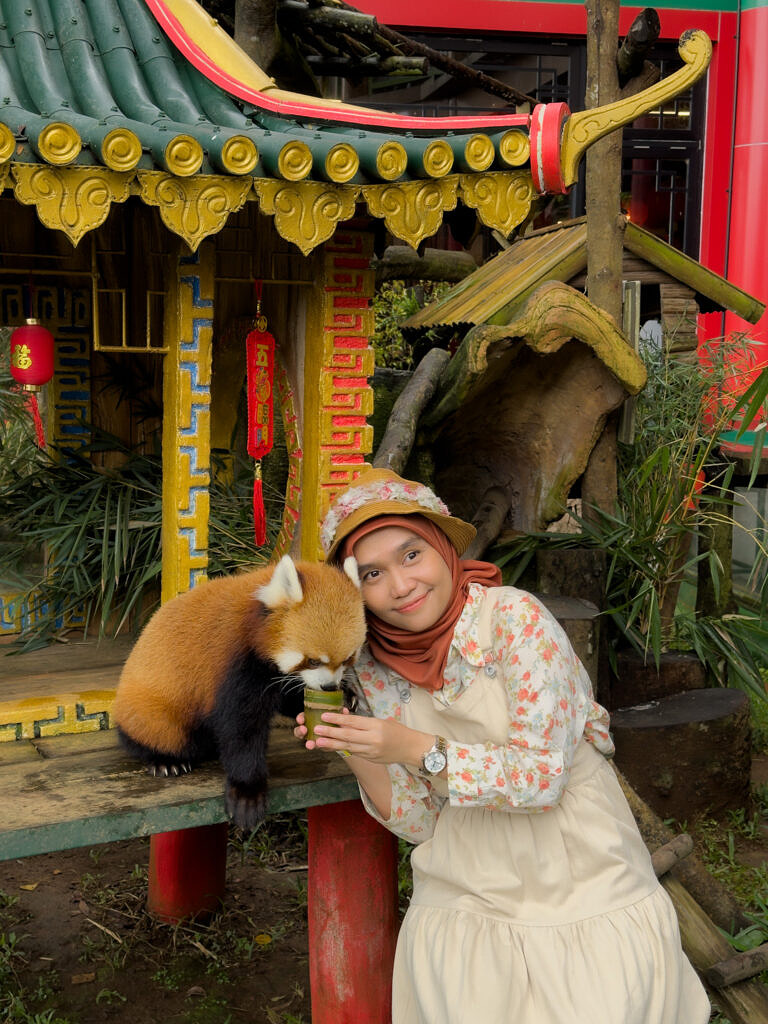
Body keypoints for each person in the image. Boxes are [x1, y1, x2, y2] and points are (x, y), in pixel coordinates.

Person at [296, 466, 710, 1023]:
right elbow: (422, 822)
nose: (400, 585)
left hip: (578, 869)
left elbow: (541, 780)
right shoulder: (370, 670)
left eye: (411, 555)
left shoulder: (515, 619)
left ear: (444, 549)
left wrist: (413, 745)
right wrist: (355, 746)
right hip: (466, 884)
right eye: (372, 573)